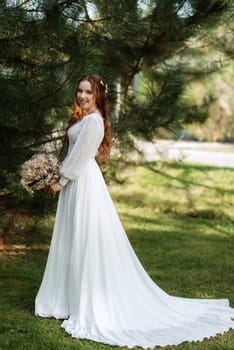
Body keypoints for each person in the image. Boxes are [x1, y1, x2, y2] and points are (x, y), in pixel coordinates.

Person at [35, 74, 234, 349]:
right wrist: (54, 171)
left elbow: (80, 158)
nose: (82, 96)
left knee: (85, 239)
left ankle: (87, 300)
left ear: (98, 96)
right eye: (79, 91)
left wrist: (61, 180)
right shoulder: (83, 118)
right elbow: (73, 153)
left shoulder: (93, 121)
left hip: (82, 183)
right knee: (72, 239)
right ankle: (68, 298)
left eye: (88, 93)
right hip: (76, 181)